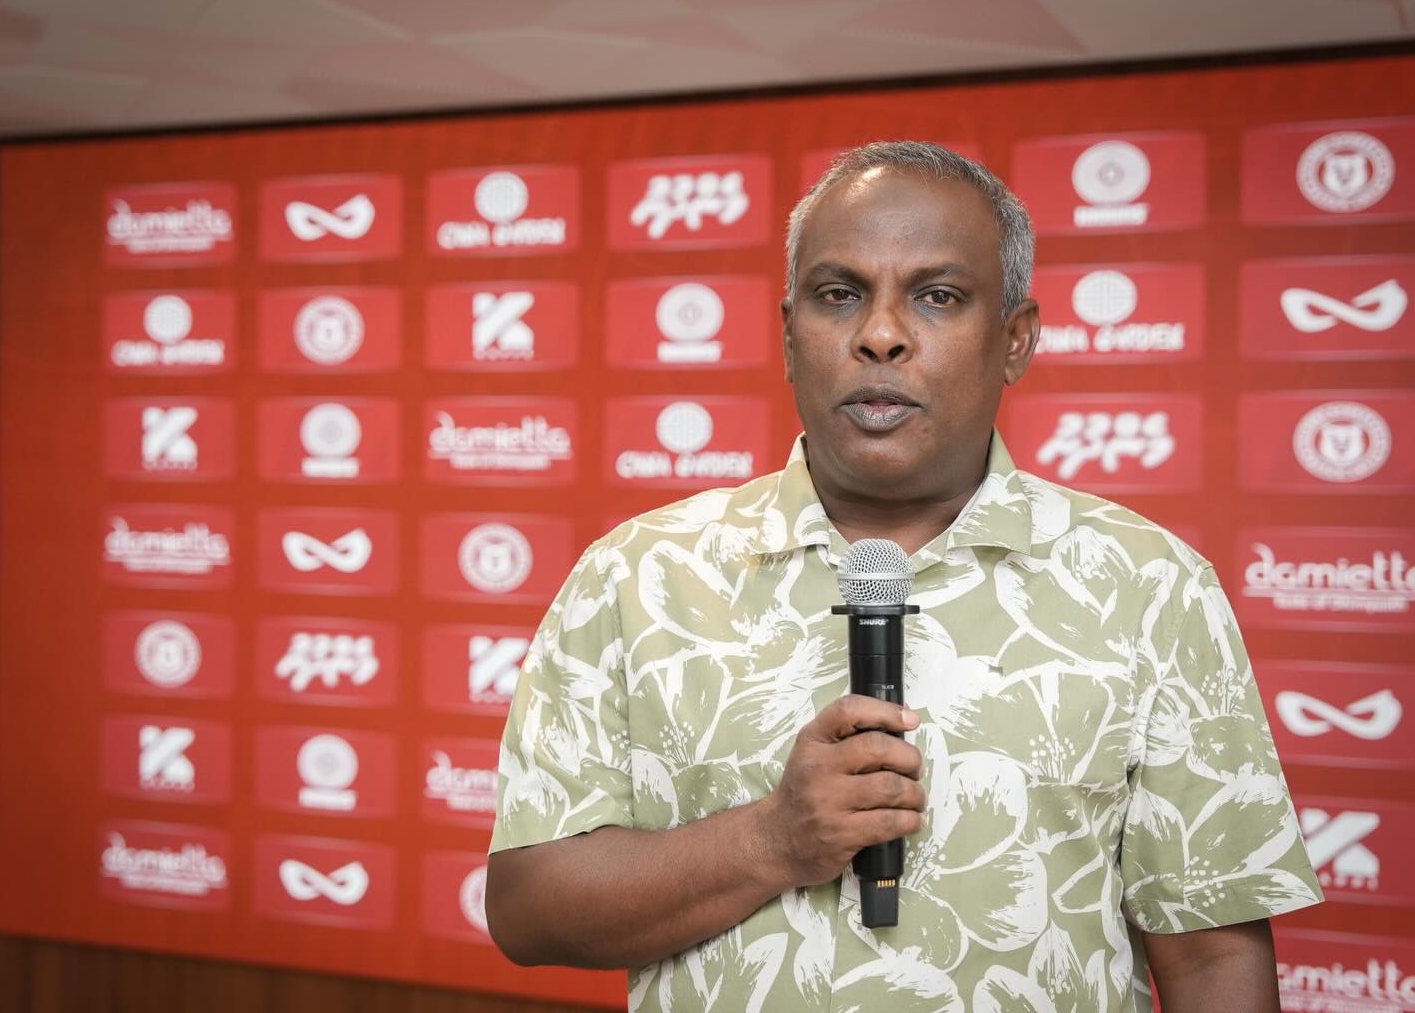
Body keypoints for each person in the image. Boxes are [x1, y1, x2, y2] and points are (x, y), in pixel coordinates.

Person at [484, 140, 1322, 1012]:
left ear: (1016, 340)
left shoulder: (1150, 585)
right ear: (788, 335)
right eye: (839, 294)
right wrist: (770, 841)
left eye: (938, 296)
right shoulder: (638, 574)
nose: (880, 334)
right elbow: (527, 910)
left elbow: (1212, 960)